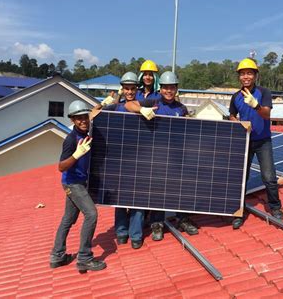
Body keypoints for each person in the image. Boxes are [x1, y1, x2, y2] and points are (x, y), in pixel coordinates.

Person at [124, 71, 199, 241]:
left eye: (172, 87)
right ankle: (157, 223)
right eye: (165, 88)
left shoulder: (181, 108)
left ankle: (183, 219)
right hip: (157, 155)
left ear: (176, 89)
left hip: (177, 155)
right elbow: (129, 105)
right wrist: (142, 109)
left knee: (180, 188)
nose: (168, 91)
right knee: (159, 189)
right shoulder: (153, 101)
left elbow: (188, 129)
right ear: (161, 89)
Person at [50, 98, 113, 273]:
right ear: (72, 120)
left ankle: (57, 256)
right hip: (73, 183)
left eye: (85, 117)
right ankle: (84, 258)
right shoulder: (71, 140)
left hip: (76, 183)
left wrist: (104, 103)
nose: (83, 120)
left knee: (68, 220)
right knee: (91, 214)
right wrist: (76, 155)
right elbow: (61, 166)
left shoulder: (86, 129)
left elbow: (92, 113)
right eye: (79, 118)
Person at [229, 57, 283, 229]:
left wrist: (256, 105)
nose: (246, 77)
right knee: (241, 178)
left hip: (263, 141)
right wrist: (238, 124)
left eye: (249, 73)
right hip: (245, 142)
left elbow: (267, 115)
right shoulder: (235, 97)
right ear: (239, 77)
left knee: (269, 176)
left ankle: (275, 207)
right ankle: (239, 212)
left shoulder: (264, 92)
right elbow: (232, 115)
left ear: (255, 76)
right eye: (243, 74)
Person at [104, 72, 145, 249]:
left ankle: (135, 235)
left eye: (132, 88)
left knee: (139, 197)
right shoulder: (116, 107)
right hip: (120, 158)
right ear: (122, 89)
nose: (129, 91)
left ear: (137, 89)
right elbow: (93, 115)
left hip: (141, 158)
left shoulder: (144, 105)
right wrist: (103, 103)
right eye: (126, 88)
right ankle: (121, 232)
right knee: (120, 197)